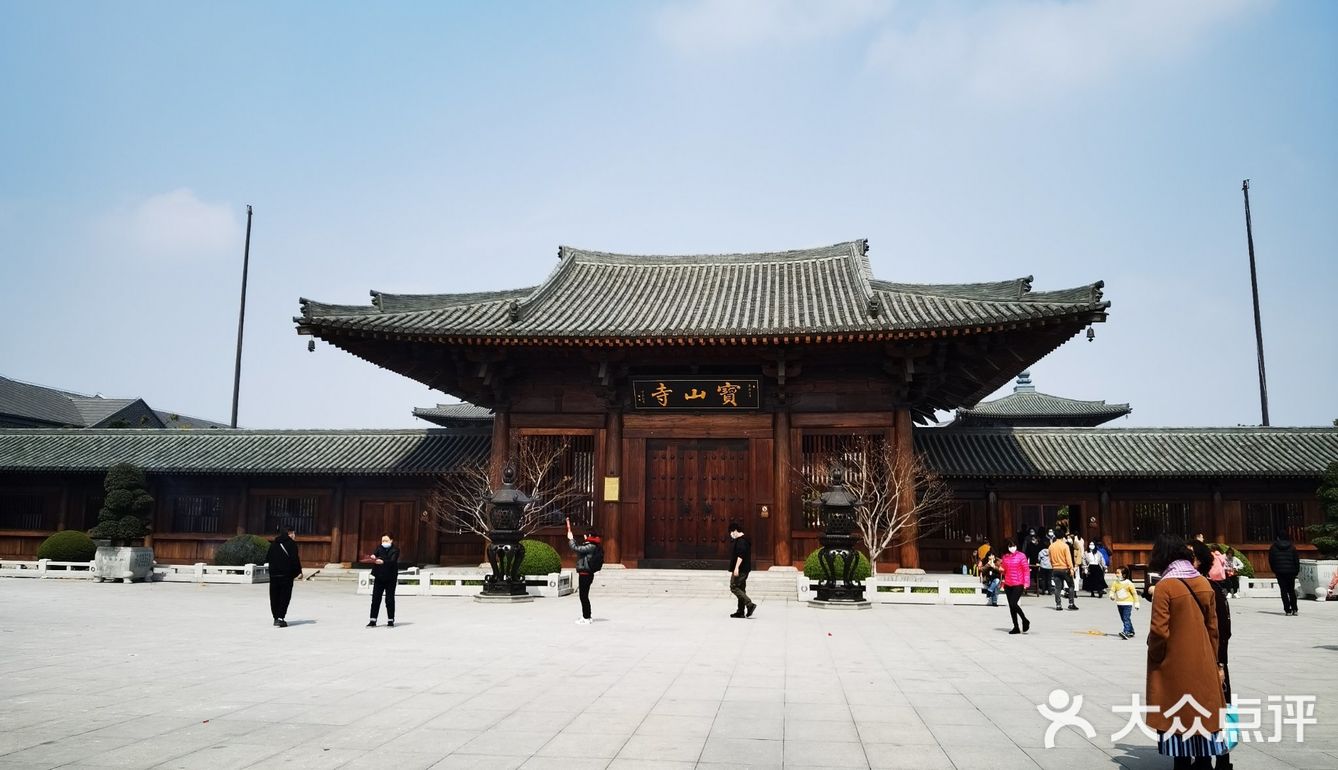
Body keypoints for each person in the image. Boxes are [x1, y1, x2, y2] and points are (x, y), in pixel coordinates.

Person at [1145, 533, 1228, 768]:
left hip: (1174, 662)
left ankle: (1181, 762)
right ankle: (1204, 761)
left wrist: (1156, 656)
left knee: (1177, 714)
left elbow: (1159, 631)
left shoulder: (1165, 586)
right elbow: (1214, 629)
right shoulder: (1203, 583)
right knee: (1201, 712)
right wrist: (1213, 659)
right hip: (1203, 659)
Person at [1190, 539, 1235, 770]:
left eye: (1191, 556)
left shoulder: (1210, 589)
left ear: (1200, 561)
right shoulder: (1190, 587)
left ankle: (1223, 759)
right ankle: (1203, 757)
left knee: (1219, 711)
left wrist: (1220, 664)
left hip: (1214, 659)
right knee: (1198, 710)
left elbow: (1223, 631)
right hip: (1196, 659)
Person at [566, 517, 602, 625]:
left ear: (589, 536)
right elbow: (580, 549)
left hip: (585, 574)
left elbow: (577, 548)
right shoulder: (593, 545)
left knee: (583, 596)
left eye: (586, 535)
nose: (585, 537)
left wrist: (571, 539)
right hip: (587, 573)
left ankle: (586, 617)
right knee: (584, 596)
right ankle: (587, 615)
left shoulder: (591, 546)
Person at [266, 524, 302, 628]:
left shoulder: (274, 543)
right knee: (284, 597)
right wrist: (297, 572)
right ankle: (281, 617)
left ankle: (275, 617)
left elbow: (268, 558)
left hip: (274, 575)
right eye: (293, 533)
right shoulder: (291, 544)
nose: (294, 535)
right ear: (289, 533)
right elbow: (295, 560)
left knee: (274, 596)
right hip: (286, 575)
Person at [367, 532, 399, 627]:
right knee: (375, 599)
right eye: (383, 540)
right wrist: (373, 556)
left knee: (389, 599)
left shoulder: (395, 550)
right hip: (379, 576)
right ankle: (373, 620)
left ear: (391, 541)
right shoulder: (379, 548)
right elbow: (375, 554)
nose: (384, 542)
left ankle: (390, 620)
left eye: (386, 540)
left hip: (390, 578)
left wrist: (383, 561)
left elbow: (392, 561)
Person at [1001, 539, 1031, 634]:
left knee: (1014, 603)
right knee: (1011, 606)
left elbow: (1026, 570)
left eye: (1013, 545)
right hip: (1008, 584)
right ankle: (1016, 626)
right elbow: (1004, 570)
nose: (1012, 547)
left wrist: (1026, 583)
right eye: (1010, 546)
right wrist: (1000, 569)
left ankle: (1024, 620)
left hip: (1018, 583)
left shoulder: (1021, 556)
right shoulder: (1005, 557)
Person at [1268, 530, 1301, 616]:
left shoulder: (1273, 547)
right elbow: (1296, 560)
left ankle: (1287, 610)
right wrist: (1296, 570)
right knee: (1291, 591)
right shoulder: (1292, 547)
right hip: (1291, 571)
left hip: (1280, 572)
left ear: (1278, 537)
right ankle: (1295, 609)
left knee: (1283, 591)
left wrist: (1274, 570)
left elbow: (1271, 560)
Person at [728, 521, 756, 618]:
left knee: (734, 587)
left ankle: (749, 604)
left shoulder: (741, 541)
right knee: (741, 589)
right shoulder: (744, 540)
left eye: (731, 532)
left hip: (741, 569)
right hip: (744, 569)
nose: (731, 535)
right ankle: (740, 611)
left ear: (735, 531)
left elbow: (741, 555)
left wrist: (736, 568)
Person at [1048, 533, 1078, 611]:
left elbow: (1050, 559)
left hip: (1055, 569)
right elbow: (1068, 558)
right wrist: (1071, 568)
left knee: (1057, 587)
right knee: (1071, 585)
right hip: (1065, 569)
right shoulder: (1065, 546)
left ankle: (1058, 605)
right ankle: (1071, 604)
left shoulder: (1051, 546)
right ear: (1062, 537)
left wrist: (1053, 566)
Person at [1110, 565, 1140, 639]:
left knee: (1126, 618)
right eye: (1116, 573)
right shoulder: (1115, 582)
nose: (1116, 574)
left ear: (1124, 574)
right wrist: (1111, 595)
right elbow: (1112, 590)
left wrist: (1136, 603)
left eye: (1118, 573)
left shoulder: (1129, 583)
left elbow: (1134, 593)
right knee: (1124, 618)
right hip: (1119, 603)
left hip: (1128, 603)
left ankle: (1126, 632)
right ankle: (1131, 631)